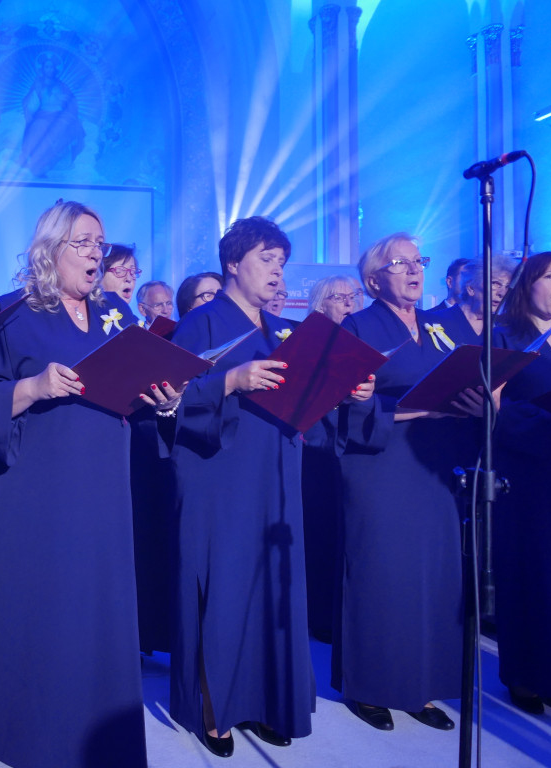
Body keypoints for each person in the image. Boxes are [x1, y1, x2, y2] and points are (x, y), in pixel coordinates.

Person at [0, 200, 165, 768]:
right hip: (36, 491)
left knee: (99, 608)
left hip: (103, 487)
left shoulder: (117, 317)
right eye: (83, 242)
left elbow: (137, 393)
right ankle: (38, 739)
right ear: (50, 248)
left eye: (101, 244)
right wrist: (32, 387)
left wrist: (164, 400)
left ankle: (106, 735)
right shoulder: (13, 314)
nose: (96, 254)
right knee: (46, 607)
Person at [170, 217, 368, 758]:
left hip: (277, 469)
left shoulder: (280, 329)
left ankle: (265, 700)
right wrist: (230, 381)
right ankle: (215, 708)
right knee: (227, 585)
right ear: (233, 263)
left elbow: (308, 399)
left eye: (281, 263)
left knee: (271, 585)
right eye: (266, 260)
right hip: (220, 472)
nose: (276, 272)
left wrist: (346, 391)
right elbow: (170, 397)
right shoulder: (202, 322)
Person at [333, 233, 490, 733]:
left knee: (431, 578)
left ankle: (418, 686)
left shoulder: (440, 328)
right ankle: (370, 687)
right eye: (399, 263)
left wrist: (472, 399)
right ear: (375, 278)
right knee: (381, 575)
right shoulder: (358, 326)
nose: (414, 270)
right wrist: (419, 407)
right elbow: (346, 405)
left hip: (433, 465)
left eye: (418, 261)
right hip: (381, 466)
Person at [494, 252, 551, 715]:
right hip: (528, 472)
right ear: (529, 285)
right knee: (532, 573)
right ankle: (524, 675)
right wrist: (549, 422)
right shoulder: (506, 338)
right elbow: (492, 406)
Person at [301, 273, 366, 642]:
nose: (349, 303)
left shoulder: (356, 336)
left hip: (349, 446)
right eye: (340, 297)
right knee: (321, 531)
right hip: (316, 445)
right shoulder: (309, 338)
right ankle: (320, 615)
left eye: (353, 296)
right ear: (321, 302)